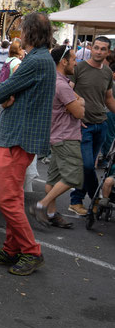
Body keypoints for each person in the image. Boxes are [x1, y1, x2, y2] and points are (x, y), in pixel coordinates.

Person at [0, 12, 56, 276]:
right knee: (12, 197)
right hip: (21, 135)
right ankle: (11, 249)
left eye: (22, 30)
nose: (19, 34)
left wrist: (8, 95)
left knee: (6, 199)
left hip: (17, 136)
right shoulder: (41, 59)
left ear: (28, 33)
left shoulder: (36, 60)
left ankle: (30, 251)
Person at [33, 46, 84, 229]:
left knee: (54, 179)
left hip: (57, 135)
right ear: (63, 61)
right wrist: (81, 103)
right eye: (73, 59)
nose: (75, 63)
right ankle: (42, 205)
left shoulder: (57, 81)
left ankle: (53, 214)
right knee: (74, 176)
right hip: (66, 137)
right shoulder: (62, 85)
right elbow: (79, 112)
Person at [67, 36, 115, 216]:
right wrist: (75, 116)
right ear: (91, 48)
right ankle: (96, 198)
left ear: (107, 52)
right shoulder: (79, 68)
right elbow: (68, 94)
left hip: (100, 125)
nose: (99, 51)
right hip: (83, 125)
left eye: (103, 49)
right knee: (87, 166)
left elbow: (108, 99)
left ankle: (77, 201)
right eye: (96, 48)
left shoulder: (107, 73)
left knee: (89, 167)